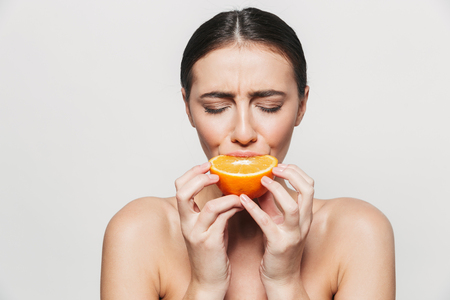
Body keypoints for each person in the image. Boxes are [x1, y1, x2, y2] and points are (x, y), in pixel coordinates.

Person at [100, 7, 395, 300]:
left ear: (301, 106)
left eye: (269, 106)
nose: (243, 133)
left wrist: (285, 281)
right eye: (216, 107)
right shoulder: (137, 233)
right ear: (188, 107)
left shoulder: (359, 233)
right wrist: (205, 286)